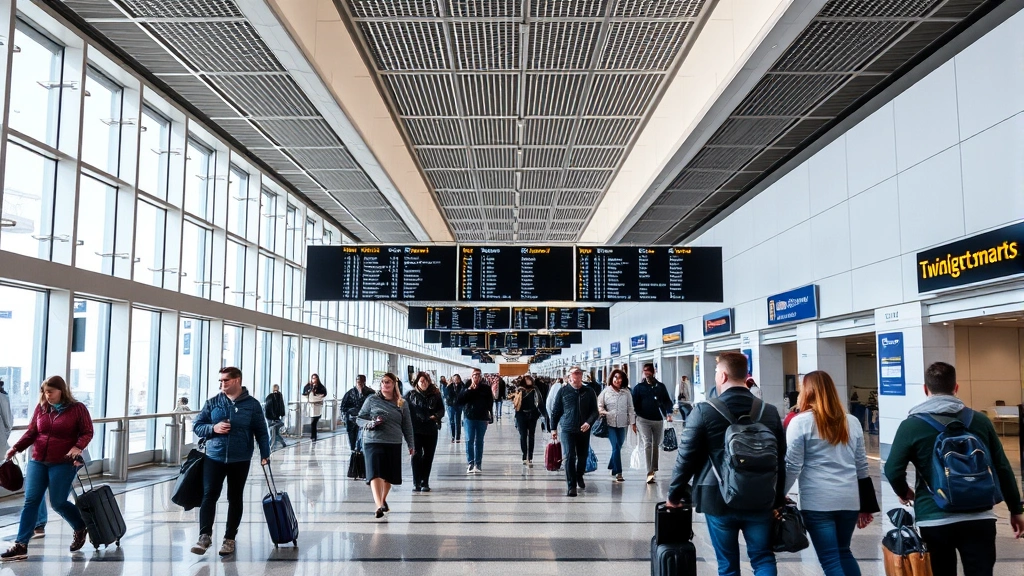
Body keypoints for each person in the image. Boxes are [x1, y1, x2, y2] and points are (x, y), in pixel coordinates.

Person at [884, 362, 1023, 576]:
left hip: (934, 515)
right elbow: (1002, 467)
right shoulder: (979, 421)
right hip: (980, 516)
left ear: (925, 389)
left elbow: (893, 469)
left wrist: (905, 493)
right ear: (956, 387)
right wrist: (1016, 509)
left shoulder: (911, 426)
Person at [665, 352, 786, 576]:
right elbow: (780, 459)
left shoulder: (704, 410)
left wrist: (673, 495)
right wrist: (777, 499)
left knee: (727, 565)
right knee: (763, 558)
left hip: (718, 497)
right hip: (760, 497)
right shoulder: (768, 412)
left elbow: (686, 458)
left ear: (722, 376)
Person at [784, 371, 873, 576]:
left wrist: (779, 494)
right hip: (849, 500)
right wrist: (866, 505)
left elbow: (792, 465)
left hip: (818, 502)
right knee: (844, 552)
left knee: (830, 560)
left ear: (806, 392)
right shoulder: (851, 422)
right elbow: (862, 466)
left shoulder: (800, 422)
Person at [2, 376, 94, 561]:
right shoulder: (42, 408)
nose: (47, 395)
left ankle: (80, 526)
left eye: (51, 391)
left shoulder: (77, 409)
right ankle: (21, 545)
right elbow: (32, 432)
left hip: (63, 461)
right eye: (44, 391)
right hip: (38, 460)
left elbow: (87, 431)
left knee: (58, 502)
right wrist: (15, 448)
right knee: (31, 501)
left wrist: (78, 447)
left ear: (62, 391)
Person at [190, 367, 270, 557]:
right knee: (209, 496)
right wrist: (213, 428)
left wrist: (265, 454)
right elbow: (197, 426)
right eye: (220, 381)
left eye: (225, 381)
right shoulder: (213, 402)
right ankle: (204, 536)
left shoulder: (252, 405)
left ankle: (229, 539)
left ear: (237, 380)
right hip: (214, 457)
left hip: (240, 458)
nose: (221, 384)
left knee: (235, 497)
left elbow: (261, 431)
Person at [357, 373, 414, 518]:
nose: (384, 384)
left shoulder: (402, 403)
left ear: (394, 384)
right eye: (382, 382)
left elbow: (407, 425)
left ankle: (382, 501)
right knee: (375, 473)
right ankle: (379, 505)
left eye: (388, 382)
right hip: (372, 440)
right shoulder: (372, 400)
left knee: (388, 476)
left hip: (393, 442)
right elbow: (359, 418)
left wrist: (411, 444)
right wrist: (369, 424)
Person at [550, 366, 599, 497]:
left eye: (579, 373)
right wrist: (553, 428)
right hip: (567, 429)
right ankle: (571, 486)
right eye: (574, 373)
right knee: (570, 456)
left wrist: (589, 422)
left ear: (582, 376)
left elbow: (595, 411)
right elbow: (556, 411)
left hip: (584, 429)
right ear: (569, 376)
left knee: (582, 456)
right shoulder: (563, 391)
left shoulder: (589, 392)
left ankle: (579, 475)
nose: (577, 376)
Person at [631, 362, 673, 484]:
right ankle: (649, 471)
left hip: (658, 419)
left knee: (656, 444)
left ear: (653, 371)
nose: (647, 372)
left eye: (649, 370)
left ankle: (654, 468)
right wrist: (633, 421)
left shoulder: (660, 387)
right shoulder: (639, 388)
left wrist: (668, 413)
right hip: (643, 420)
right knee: (647, 443)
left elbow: (667, 401)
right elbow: (633, 405)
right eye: (645, 370)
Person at [405, 372, 444, 492]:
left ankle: (424, 481)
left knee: (428, 456)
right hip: (415, 430)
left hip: (430, 430)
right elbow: (404, 410)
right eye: (421, 381)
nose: (424, 383)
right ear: (417, 382)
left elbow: (442, 410)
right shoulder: (410, 395)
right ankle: (416, 481)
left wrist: (435, 417)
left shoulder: (435, 395)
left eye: (426, 381)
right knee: (416, 455)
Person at [598, 369, 635, 483]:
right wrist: (605, 413)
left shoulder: (627, 392)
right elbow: (600, 406)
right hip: (610, 424)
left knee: (618, 446)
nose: (617, 380)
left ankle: (612, 466)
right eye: (615, 377)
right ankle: (619, 472)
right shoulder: (605, 392)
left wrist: (633, 423)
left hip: (623, 424)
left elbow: (630, 408)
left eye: (620, 378)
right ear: (611, 378)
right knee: (616, 447)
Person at [456, 368, 494, 474]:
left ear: (481, 376)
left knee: (479, 441)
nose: (476, 377)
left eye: (478, 375)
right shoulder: (466, 386)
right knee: (469, 440)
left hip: (482, 418)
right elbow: (460, 400)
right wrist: (469, 390)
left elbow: (489, 403)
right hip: (469, 417)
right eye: (474, 375)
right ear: (471, 376)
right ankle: (470, 463)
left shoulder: (485, 388)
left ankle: (478, 464)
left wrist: (489, 417)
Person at [512, 375, 547, 467]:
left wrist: (545, 415)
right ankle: (524, 456)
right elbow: (515, 403)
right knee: (523, 436)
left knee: (531, 436)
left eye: (530, 379)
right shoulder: (519, 390)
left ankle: (530, 457)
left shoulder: (535, 390)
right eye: (527, 379)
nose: (529, 381)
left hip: (532, 415)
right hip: (521, 415)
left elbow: (540, 402)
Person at [341, 375, 374, 452]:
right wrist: (345, 417)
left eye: (361, 381)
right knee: (352, 437)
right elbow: (343, 407)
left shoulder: (370, 393)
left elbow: (374, 406)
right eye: (358, 381)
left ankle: (360, 453)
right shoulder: (350, 393)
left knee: (362, 438)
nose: (359, 383)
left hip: (364, 419)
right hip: (351, 419)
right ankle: (353, 452)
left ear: (364, 381)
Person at [301, 374, 328, 443]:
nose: (314, 380)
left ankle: (313, 436)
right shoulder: (308, 386)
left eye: (315, 378)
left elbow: (322, 395)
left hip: (317, 406)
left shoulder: (320, 387)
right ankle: (313, 436)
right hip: (311, 406)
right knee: (313, 422)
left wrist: (314, 397)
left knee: (314, 422)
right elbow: (305, 395)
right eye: (313, 378)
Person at [264, 385, 288, 451]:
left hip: (271, 418)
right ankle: (283, 443)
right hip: (276, 418)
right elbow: (281, 406)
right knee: (275, 433)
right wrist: (282, 415)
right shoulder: (279, 396)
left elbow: (267, 408)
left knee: (272, 434)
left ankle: (271, 448)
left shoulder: (270, 397)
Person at [443, 374, 464, 443]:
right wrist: (447, 387)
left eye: (457, 379)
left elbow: (463, 394)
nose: (455, 380)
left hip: (459, 405)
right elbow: (446, 395)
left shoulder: (462, 386)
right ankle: (453, 436)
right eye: (454, 379)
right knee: (451, 421)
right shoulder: (450, 386)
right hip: (451, 405)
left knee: (458, 421)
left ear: (459, 379)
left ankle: (458, 437)